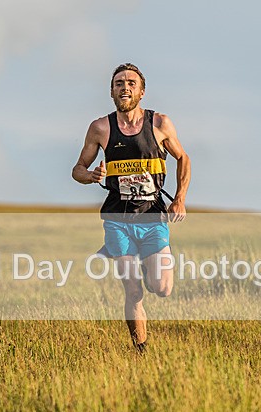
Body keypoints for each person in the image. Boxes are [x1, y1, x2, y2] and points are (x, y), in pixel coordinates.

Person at [72, 63, 191, 352]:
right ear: (111, 91)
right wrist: (91, 176)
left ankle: (149, 270)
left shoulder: (160, 124)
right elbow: (77, 169)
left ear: (142, 91)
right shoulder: (100, 128)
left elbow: (183, 159)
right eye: (118, 83)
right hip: (117, 219)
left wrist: (179, 199)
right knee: (132, 289)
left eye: (130, 83)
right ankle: (141, 350)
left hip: (153, 216)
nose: (125, 87)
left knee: (162, 289)